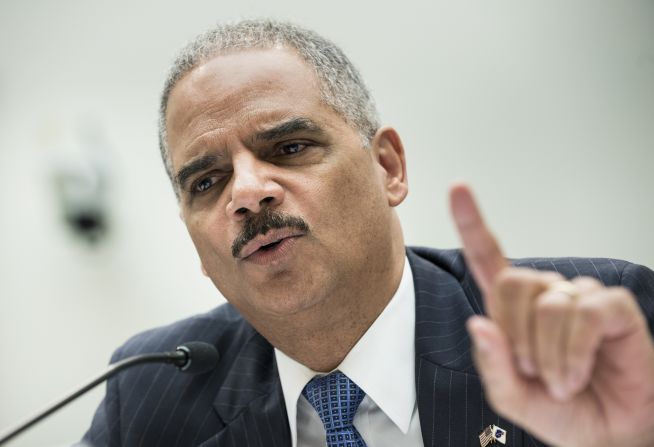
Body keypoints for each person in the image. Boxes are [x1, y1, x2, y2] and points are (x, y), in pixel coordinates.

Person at [81, 20, 654, 447]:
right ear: (194, 243)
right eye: (207, 181)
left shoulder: (590, 329)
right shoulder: (150, 392)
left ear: (388, 168)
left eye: (290, 148)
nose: (247, 193)